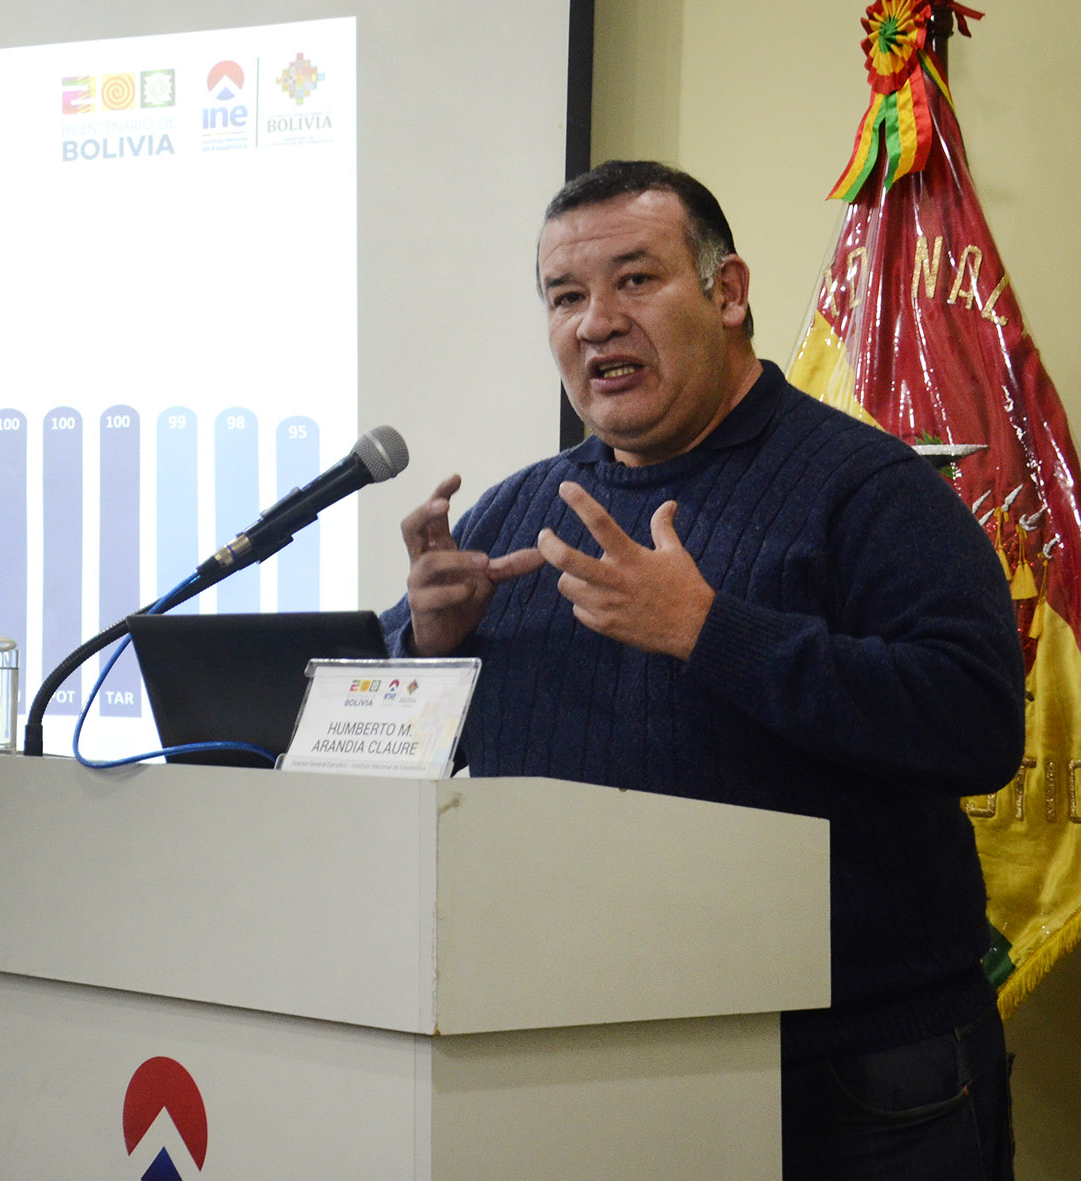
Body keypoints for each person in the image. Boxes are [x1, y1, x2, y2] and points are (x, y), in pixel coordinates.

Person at [380, 160, 1021, 1178]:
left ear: (727, 293)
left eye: (634, 280)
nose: (596, 322)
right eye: (564, 296)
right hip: (583, 1055)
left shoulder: (868, 489)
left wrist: (709, 630)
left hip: (853, 1072)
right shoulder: (514, 512)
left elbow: (975, 721)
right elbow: (366, 733)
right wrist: (425, 642)